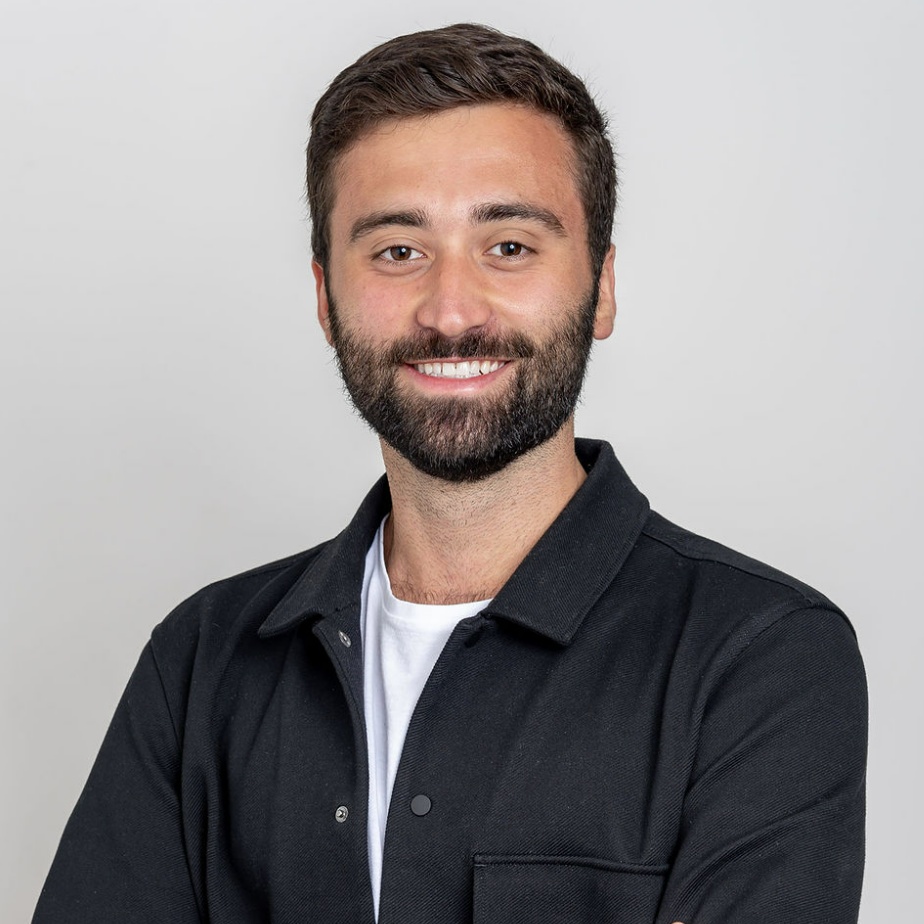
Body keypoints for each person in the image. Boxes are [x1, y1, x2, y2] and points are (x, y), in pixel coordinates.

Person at [33, 23, 867, 924]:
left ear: (601, 288)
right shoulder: (201, 661)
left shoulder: (759, 658)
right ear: (325, 298)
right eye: (399, 251)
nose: (452, 311)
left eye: (509, 245)